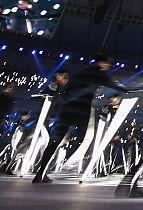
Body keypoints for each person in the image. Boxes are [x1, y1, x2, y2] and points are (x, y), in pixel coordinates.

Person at [32, 53, 137, 184]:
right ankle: (55, 169)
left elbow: (67, 91)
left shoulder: (82, 73)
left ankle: (40, 173)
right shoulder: (99, 74)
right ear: (102, 63)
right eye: (109, 63)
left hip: (67, 109)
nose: (110, 65)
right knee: (84, 139)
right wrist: (140, 87)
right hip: (79, 111)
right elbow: (121, 88)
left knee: (55, 141)